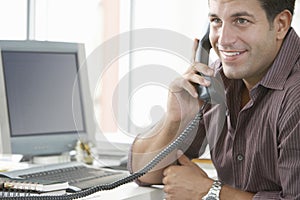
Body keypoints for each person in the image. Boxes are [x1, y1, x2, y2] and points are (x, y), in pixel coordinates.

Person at [128, 0, 300, 199]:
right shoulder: (216, 80)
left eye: (241, 20)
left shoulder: (295, 96)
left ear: (281, 24)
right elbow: (145, 174)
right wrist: (175, 119)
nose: (223, 40)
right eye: (216, 20)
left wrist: (210, 191)